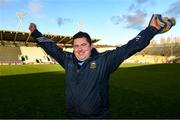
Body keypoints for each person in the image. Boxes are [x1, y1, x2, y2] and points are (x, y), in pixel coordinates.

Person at [29, 14, 174, 118]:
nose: (79, 49)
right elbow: (51, 47)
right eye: (76, 46)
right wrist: (35, 33)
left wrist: (150, 30)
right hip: (72, 115)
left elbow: (130, 47)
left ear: (91, 46)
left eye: (83, 45)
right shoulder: (68, 59)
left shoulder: (104, 60)